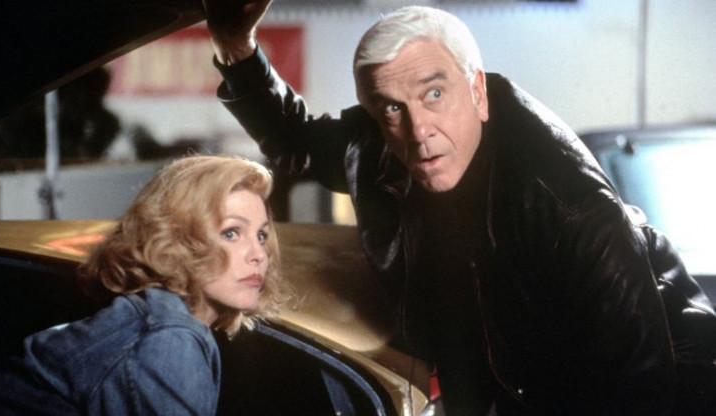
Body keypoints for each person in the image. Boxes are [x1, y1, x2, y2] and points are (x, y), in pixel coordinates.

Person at [204, 2, 716, 415]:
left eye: (434, 94)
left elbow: (640, 384)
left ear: (478, 92)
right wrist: (235, 45)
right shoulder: (381, 142)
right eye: (391, 107)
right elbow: (298, 141)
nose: (418, 131)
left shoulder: (565, 200)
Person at [0, 155, 291, 414]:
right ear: (178, 240)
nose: (258, 254)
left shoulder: (172, 324)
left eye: (261, 235)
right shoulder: (168, 340)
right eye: (231, 233)